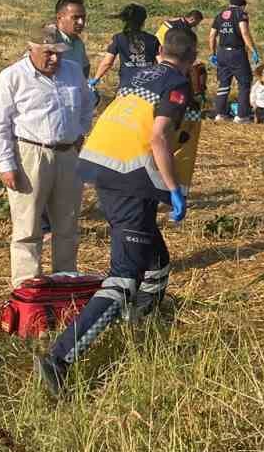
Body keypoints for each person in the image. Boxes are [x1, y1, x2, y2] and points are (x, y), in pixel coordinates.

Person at [37, 24, 199, 396]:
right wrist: (174, 189)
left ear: (160, 53)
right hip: (130, 174)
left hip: (101, 163)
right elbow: (158, 136)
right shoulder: (177, 83)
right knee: (125, 277)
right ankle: (60, 358)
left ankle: (141, 326)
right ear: (191, 61)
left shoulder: (142, 73)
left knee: (156, 259)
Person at [0, 24, 94, 287]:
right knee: (28, 225)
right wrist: (6, 164)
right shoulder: (12, 77)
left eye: (59, 52)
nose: (55, 59)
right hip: (30, 155)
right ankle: (27, 286)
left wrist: (80, 132)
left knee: (67, 224)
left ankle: (65, 280)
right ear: (31, 49)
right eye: (48, 53)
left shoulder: (72, 71)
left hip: (68, 155)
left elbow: (86, 105)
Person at [209, 0, 259, 122]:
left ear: (230, 4)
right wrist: (253, 50)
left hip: (221, 53)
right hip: (236, 53)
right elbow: (244, 32)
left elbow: (212, 36)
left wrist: (213, 53)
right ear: (243, 6)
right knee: (244, 83)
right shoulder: (241, 14)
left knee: (224, 83)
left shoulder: (220, 15)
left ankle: (220, 114)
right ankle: (242, 116)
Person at [92, 4, 161, 95]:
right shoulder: (153, 39)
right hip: (149, 89)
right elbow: (162, 63)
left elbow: (107, 63)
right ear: (144, 20)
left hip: (126, 88)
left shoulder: (119, 38)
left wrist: (95, 79)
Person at [54, 0, 89, 77]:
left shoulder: (78, 43)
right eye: (75, 17)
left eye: (83, 17)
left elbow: (85, 67)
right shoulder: (49, 40)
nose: (81, 22)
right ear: (59, 17)